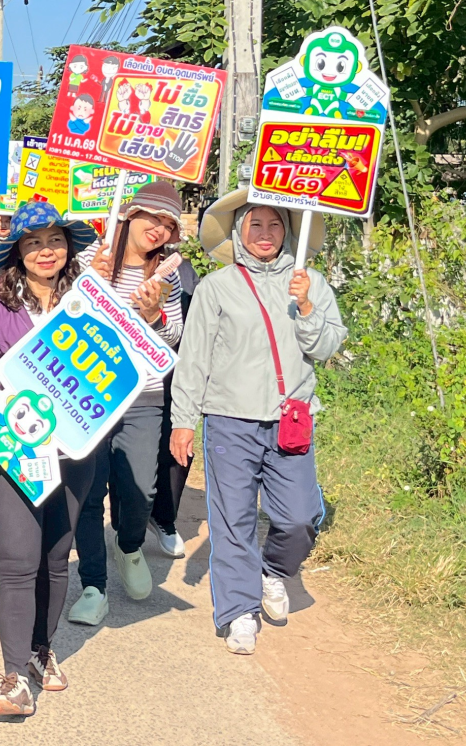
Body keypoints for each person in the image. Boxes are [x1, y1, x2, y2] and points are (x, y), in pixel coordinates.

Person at [170, 190, 346, 655]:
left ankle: (272, 570)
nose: (265, 235)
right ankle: (238, 611)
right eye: (255, 226)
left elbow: (326, 348)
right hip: (230, 419)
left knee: (301, 517)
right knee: (233, 518)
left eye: (274, 225)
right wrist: (184, 420)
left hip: (291, 419)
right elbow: (193, 359)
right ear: (239, 232)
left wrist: (307, 307)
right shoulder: (217, 287)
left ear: (287, 230)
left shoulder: (311, 282)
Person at [0, 200, 97, 716]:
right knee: (17, 562)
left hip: (77, 451)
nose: (45, 251)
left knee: (56, 558)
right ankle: (14, 675)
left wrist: (146, 316)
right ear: (17, 251)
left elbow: (130, 360)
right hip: (14, 449)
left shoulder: (90, 303)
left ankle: (41, 651)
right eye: (34, 243)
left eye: (54, 241)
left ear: (69, 248)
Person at [69, 181, 185, 626]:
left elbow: (172, 335)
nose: (158, 229)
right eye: (151, 217)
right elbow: (60, 313)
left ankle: (129, 544)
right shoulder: (88, 258)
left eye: (168, 224)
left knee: (141, 490)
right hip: (88, 391)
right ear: (129, 213)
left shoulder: (168, 275)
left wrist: (155, 315)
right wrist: (85, 283)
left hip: (144, 395)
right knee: (88, 491)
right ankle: (93, 585)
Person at [149, 255, 201, 558]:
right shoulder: (102, 259)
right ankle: (124, 521)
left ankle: (164, 517)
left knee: (174, 443)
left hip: (169, 368)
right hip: (111, 371)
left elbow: (186, 326)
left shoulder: (180, 270)